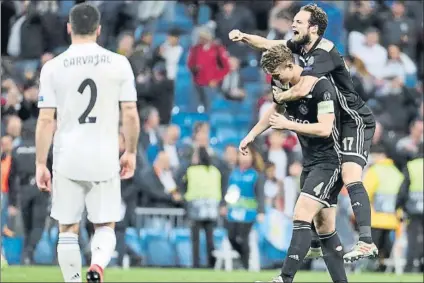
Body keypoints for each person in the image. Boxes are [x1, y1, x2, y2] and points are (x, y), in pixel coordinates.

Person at [229, 3, 378, 261]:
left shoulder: (324, 52)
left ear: (314, 27)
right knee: (326, 177)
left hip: (354, 119)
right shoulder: (301, 48)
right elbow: (268, 44)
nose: (293, 24)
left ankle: (366, 241)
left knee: (349, 173)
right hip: (338, 122)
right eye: (294, 20)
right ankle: (318, 242)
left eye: (299, 21)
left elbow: (302, 89)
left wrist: (279, 96)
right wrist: (243, 37)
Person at [35, 3, 140, 283]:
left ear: (69, 28)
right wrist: (130, 151)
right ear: (99, 30)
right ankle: (97, 267)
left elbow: (46, 119)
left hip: (67, 155)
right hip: (104, 154)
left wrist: (39, 163)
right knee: (105, 223)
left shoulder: (52, 67)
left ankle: (72, 280)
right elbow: (130, 112)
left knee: (67, 228)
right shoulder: (119, 63)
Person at [240, 44, 347, 282]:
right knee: (325, 227)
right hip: (310, 162)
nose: (275, 79)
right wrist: (252, 134)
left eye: (277, 74)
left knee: (301, 213)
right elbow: (274, 111)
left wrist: (289, 125)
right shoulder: (282, 84)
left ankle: (284, 278)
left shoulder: (321, 87)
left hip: (331, 161)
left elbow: (324, 127)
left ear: (290, 64)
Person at [180, 146, 224, 268]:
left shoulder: (191, 171)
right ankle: (211, 263)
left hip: (196, 207)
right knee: (210, 238)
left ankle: (196, 263)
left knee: (195, 239)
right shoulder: (215, 171)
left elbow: (183, 183)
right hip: (211, 208)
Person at [396, 142, 424, 272]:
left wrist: (399, 205)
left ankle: (410, 266)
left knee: (413, 237)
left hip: (413, 207)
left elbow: (404, 188)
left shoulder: (411, 166)